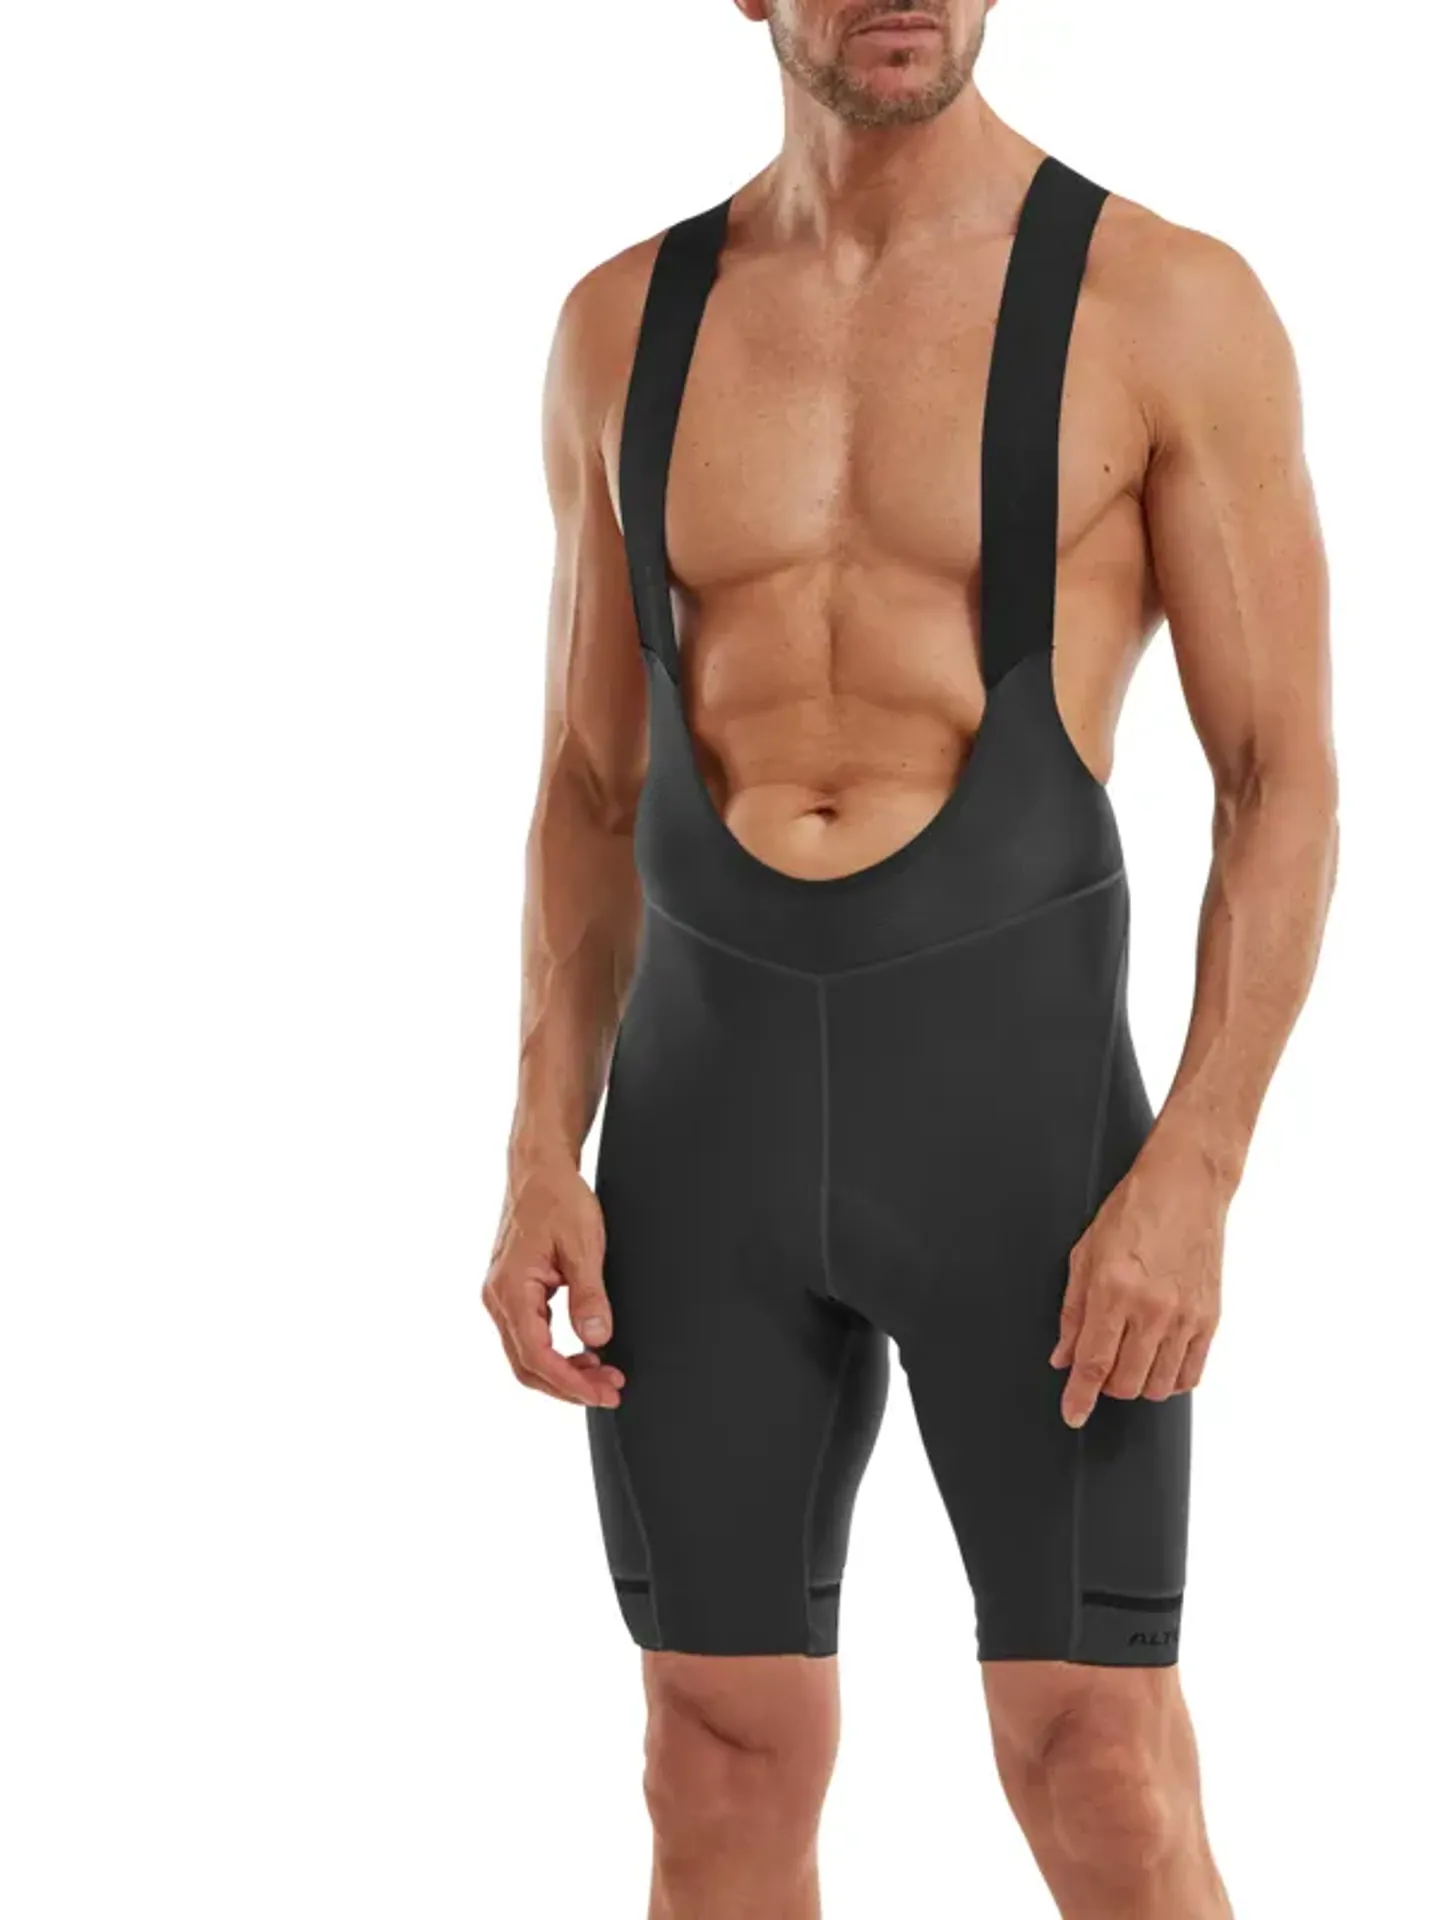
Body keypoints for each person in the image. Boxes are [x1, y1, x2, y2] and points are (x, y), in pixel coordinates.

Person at [480, 3, 1337, 1913]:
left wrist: (1194, 1174)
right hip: (702, 1139)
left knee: (1099, 1765)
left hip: (1025, 1143)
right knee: (712, 1764)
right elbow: (591, 785)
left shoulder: (1163, 305)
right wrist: (542, 1141)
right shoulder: (622, 325)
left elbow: (1280, 780)